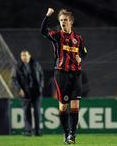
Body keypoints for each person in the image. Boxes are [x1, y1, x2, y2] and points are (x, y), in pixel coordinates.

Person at [41, 8, 87, 144]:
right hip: (61, 74)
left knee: (75, 105)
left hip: (76, 74)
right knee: (63, 107)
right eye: (61, 20)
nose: (63, 22)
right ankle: (66, 133)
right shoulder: (56, 36)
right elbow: (43, 31)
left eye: (65, 20)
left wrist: (81, 57)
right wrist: (47, 16)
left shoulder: (78, 38)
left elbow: (84, 51)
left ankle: (72, 135)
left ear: (71, 22)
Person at [11, 50, 44, 136]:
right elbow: (14, 79)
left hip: (36, 92)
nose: (24, 57)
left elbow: (41, 76)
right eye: (22, 56)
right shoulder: (18, 66)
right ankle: (28, 131)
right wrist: (19, 89)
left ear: (29, 56)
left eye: (25, 55)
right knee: (27, 112)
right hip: (25, 93)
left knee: (37, 112)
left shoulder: (36, 64)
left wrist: (41, 88)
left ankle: (37, 131)